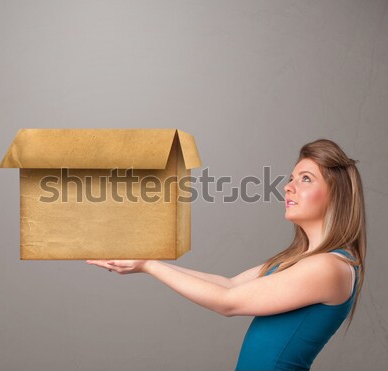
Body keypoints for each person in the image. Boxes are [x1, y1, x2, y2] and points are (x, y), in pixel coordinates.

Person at [86, 138, 366, 371]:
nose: (288, 186)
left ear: (336, 194)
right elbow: (229, 284)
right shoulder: (300, 260)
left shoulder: (329, 267)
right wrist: (147, 262)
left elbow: (228, 303)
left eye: (306, 179)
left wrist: (148, 266)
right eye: (291, 178)